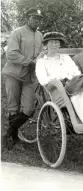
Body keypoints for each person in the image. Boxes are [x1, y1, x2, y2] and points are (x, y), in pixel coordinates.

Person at [2, 8, 43, 150]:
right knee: (13, 107)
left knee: (29, 108)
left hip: (30, 77)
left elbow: (41, 55)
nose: (36, 21)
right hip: (13, 74)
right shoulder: (17, 33)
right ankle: (14, 140)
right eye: (33, 18)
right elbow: (11, 54)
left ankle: (7, 133)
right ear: (28, 18)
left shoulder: (40, 36)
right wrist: (29, 62)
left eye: (38, 19)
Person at [35, 32, 83, 124]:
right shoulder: (42, 62)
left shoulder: (66, 58)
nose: (54, 45)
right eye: (52, 42)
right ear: (46, 44)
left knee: (81, 93)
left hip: (72, 84)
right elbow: (43, 80)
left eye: (57, 42)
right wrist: (59, 77)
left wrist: (69, 78)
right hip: (57, 88)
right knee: (76, 96)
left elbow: (76, 72)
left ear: (60, 45)